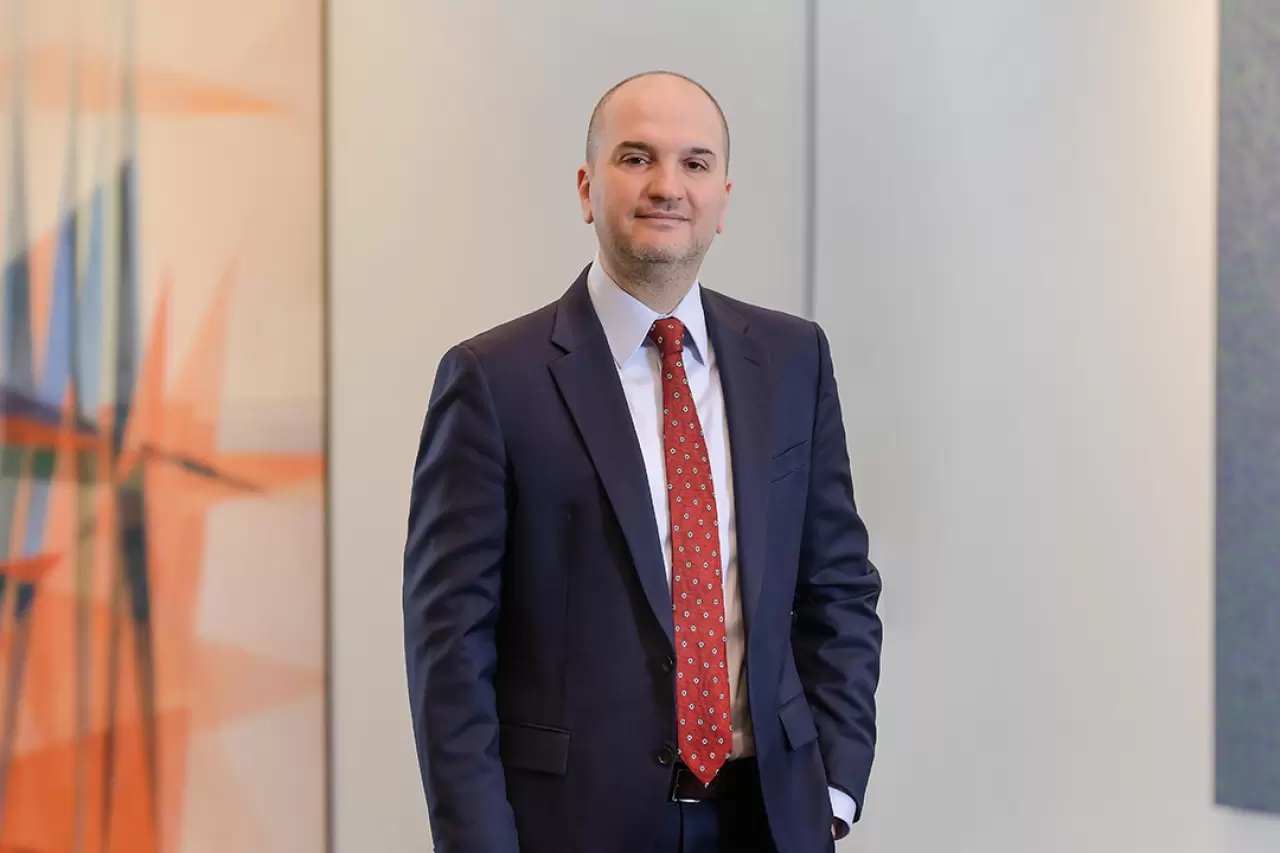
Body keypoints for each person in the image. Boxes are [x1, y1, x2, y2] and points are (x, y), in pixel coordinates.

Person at [403, 70, 883, 853]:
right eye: (636, 158)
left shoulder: (794, 359)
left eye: (695, 163)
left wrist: (833, 788)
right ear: (587, 188)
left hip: (770, 819)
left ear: (723, 198)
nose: (667, 185)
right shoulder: (492, 379)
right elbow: (450, 648)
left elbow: (839, 588)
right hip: (572, 828)